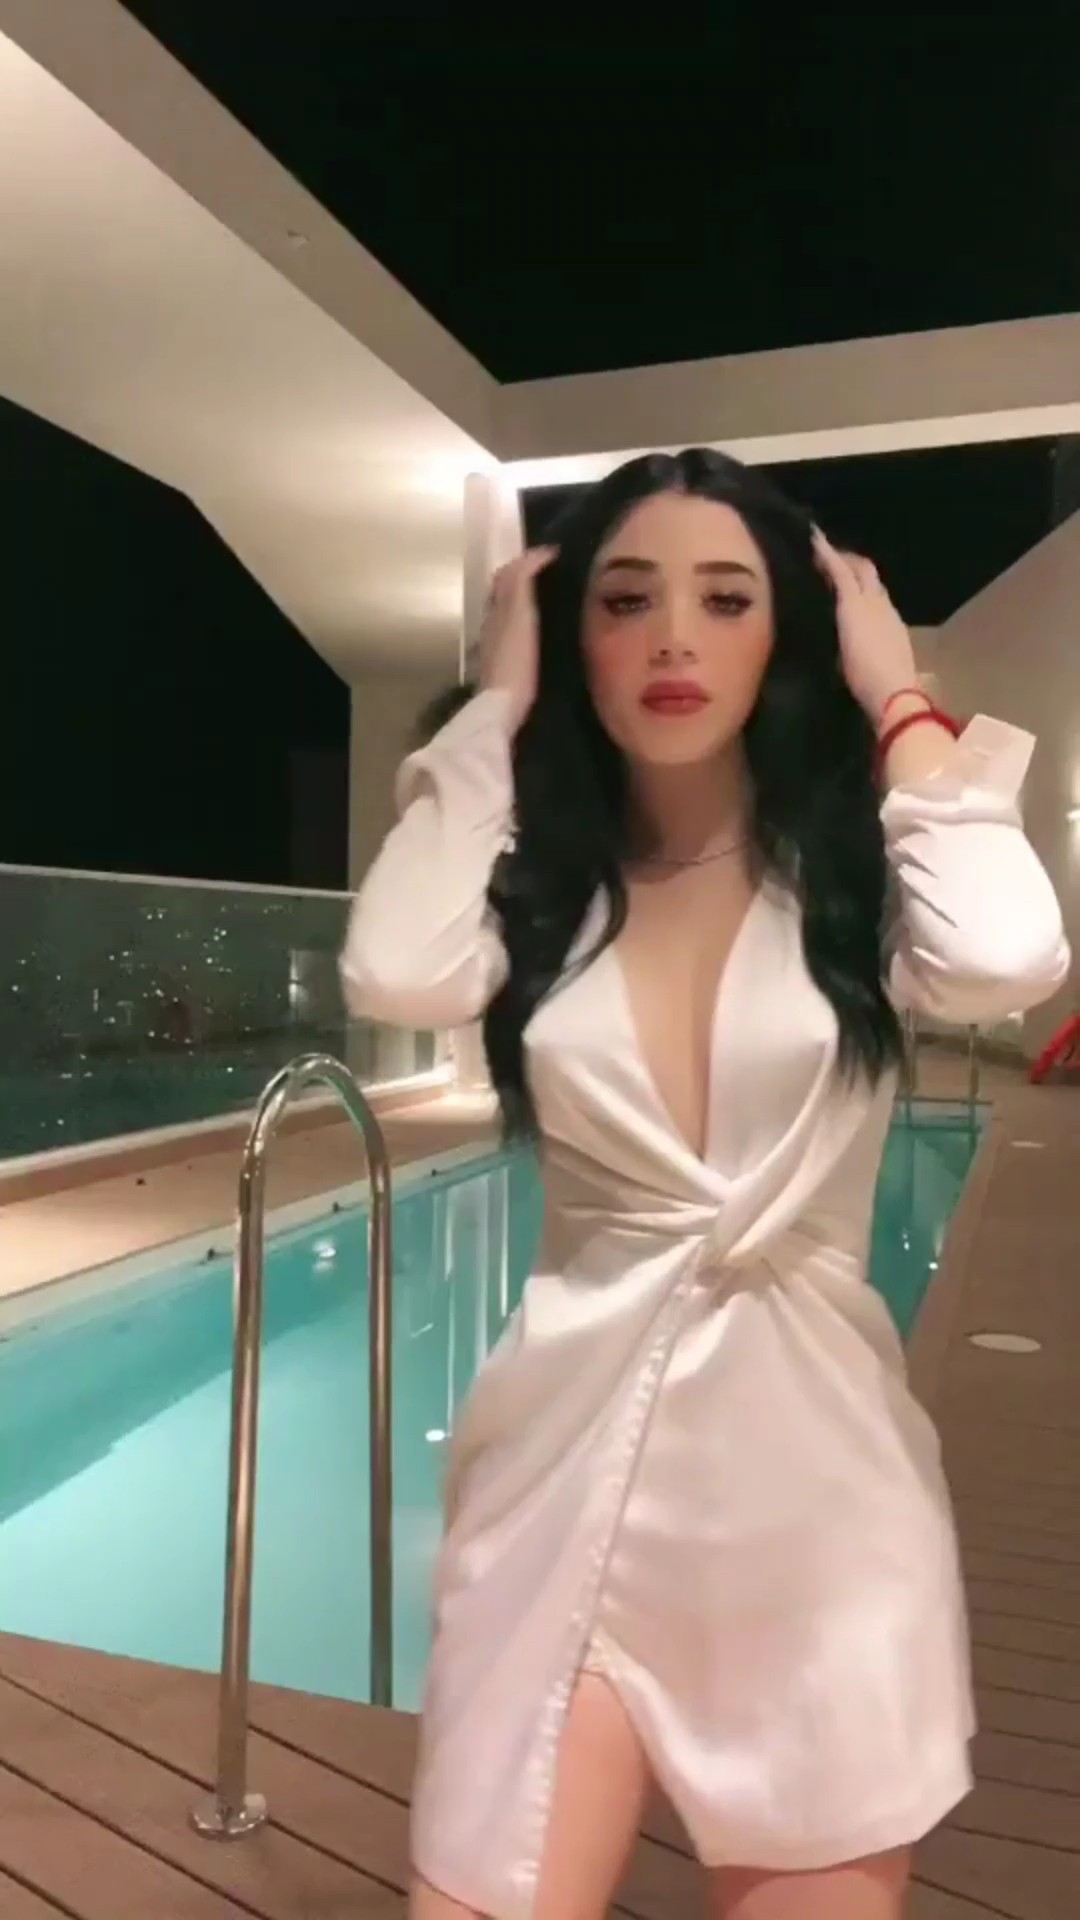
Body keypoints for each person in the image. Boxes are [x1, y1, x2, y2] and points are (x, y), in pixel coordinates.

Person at [340, 450, 1068, 1920]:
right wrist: (494, 705)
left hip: (815, 1512)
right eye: (626, 600)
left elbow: (1009, 957)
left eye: (727, 599)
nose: (675, 637)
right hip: (564, 1486)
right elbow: (396, 969)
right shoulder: (543, 895)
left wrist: (899, 694)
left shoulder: (854, 887)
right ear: (574, 636)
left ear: (789, 630)